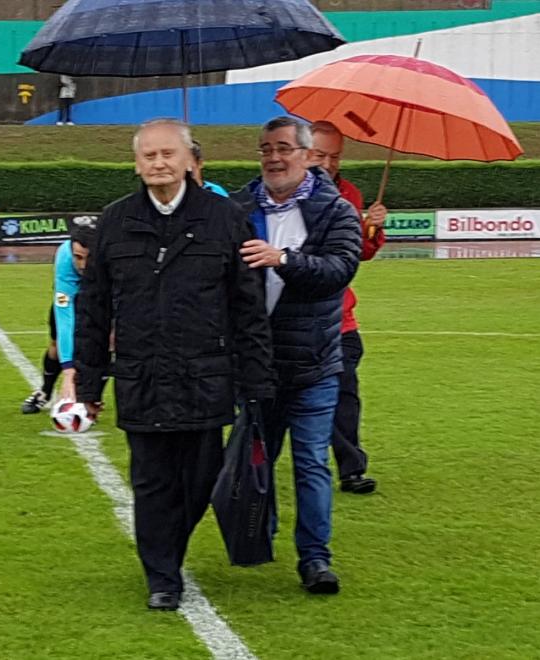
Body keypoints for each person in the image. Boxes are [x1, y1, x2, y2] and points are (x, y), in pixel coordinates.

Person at [74, 118, 275, 611]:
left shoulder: (225, 218)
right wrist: (89, 383)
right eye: (149, 156)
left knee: (200, 480)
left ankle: (168, 549)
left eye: (168, 154)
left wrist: (258, 381)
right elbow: (94, 308)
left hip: (205, 376)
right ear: (137, 163)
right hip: (141, 376)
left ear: (189, 160)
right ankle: (162, 575)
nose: (159, 164)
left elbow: (247, 307)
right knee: (151, 481)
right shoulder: (115, 221)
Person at [231, 116, 361, 594]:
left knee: (310, 463)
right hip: (257, 365)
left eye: (284, 148)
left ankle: (315, 558)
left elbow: (339, 269)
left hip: (313, 363)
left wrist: (282, 258)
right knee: (256, 461)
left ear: (308, 156)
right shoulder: (239, 206)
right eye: (266, 148)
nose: (273, 157)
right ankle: (255, 537)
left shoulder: (336, 210)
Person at [309, 121, 387, 495]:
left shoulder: (350, 194)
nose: (328, 163)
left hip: (339, 319)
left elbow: (359, 253)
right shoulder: (285, 194)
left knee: (345, 396)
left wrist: (372, 229)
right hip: (292, 318)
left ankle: (351, 469)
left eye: (335, 156)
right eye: (320, 155)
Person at [21, 222, 97, 413]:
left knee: (104, 344)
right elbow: (65, 320)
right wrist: (68, 370)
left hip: (100, 296)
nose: (82, 265)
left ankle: (93, 397)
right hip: (71, 294)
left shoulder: (110, 257)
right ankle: (45, 392)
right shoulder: (64, 259)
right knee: (56, 344)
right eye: (77, 257)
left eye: (87, 258)